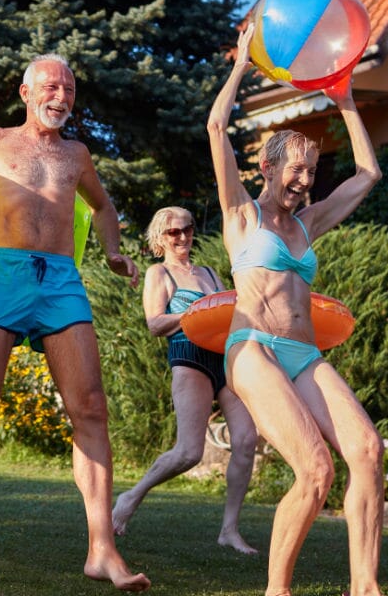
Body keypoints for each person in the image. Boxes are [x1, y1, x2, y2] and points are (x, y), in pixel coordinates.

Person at [0, 54, 150, 592]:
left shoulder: (77, 154)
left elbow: (101, 208)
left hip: (59, 280)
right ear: (25, 91)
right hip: (1, 274)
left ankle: (102, 548)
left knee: (91, 409)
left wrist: (115, 252)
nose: (61, 95)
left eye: (70, 89)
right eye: (51, 85)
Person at [207, 25, 384, 596]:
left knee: (367, 451)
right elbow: (216, 127)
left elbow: (368, 176)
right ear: (267, 167)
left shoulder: (310, 222)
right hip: (253, 348)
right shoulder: (241, 216)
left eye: (311, 173)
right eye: (295, 171)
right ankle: (276, 591)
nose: (305, 182)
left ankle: (365, 587)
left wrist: (348, 102)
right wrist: (239, 66)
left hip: (304, 353)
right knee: (314, 470)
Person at [111, 206, 258, 554]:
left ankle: (229, 530)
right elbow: (154, 324)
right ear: (160, 238)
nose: (182, 237)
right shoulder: (158, 273)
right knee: (189, 452)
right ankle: (131, 497)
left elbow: (228, 311)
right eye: (173, 232)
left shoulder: (208, 272)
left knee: (247, 440)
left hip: (224, 358)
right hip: (188, 358)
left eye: (187, 229)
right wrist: (195, 313)